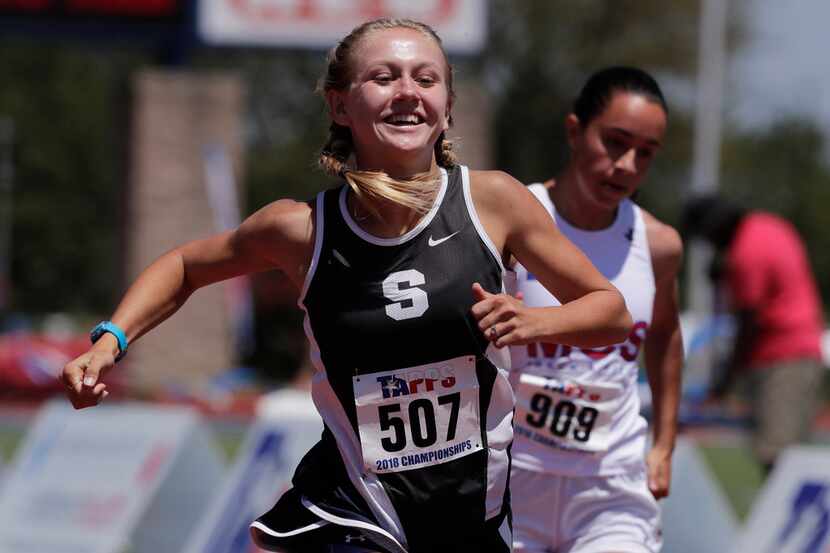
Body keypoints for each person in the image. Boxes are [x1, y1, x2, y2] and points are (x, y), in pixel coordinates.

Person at [61, 19, 632, 553]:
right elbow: (185, 266)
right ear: (340, 105)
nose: (407, 92)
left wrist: (538, 320)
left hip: (471, 512)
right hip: (355, 506)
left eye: (425, 79)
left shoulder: (494, 202)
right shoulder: (301, 230)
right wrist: (110, 340)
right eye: (384, 78)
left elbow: (609, 311)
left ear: (448, 107)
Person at [509, 67, 684, 553]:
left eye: (645, 154)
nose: (626, 165)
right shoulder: (509, 222)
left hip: (611, 487)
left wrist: (665, 445)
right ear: (573, 130)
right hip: (511, 482)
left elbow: (666, 337)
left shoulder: (660, 245)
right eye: (615, 142)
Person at [682, 195, 825, 475]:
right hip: (804, 350)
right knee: (797, 453)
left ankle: (780, 517)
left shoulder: (746, 252)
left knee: (777, 454)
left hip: (781, 357)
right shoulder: (769, 226)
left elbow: (749, 322)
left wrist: (725, 378)